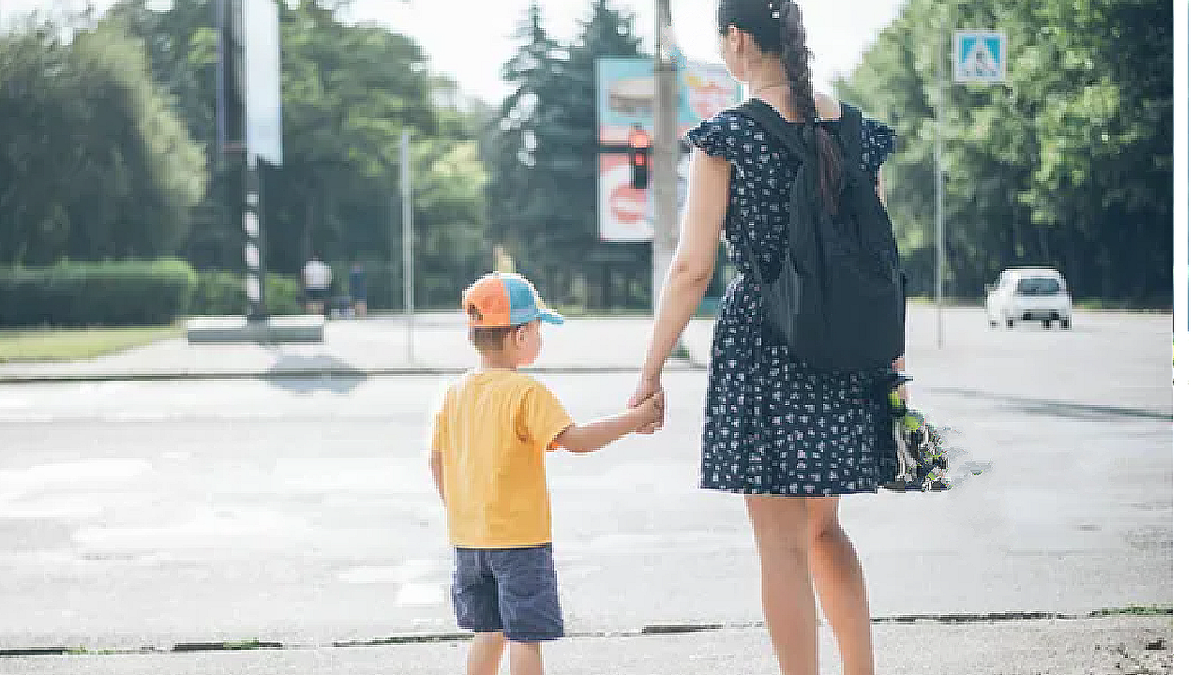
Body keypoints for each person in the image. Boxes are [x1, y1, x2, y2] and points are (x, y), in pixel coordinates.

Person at [627, 2, 904, 674]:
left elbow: (693, 268)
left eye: (722, 43)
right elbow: (880, 259)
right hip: (845, 347)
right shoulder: (857, 131)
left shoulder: (730, 137)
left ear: (740, 39)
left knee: (779, 543)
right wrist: (891, 363)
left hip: (767, 346)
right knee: (824, 527)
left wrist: (650, 368)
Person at [429, 271, 663, 675]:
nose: (541, 339)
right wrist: (634, 419)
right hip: (519, 541)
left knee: (488, 632)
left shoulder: (455, 392)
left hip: (469, 539)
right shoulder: (525, 393)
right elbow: (575, 440)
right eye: (539, 330)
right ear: (520, 337)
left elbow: (435, 458)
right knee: (524, 636)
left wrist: (459, 507)